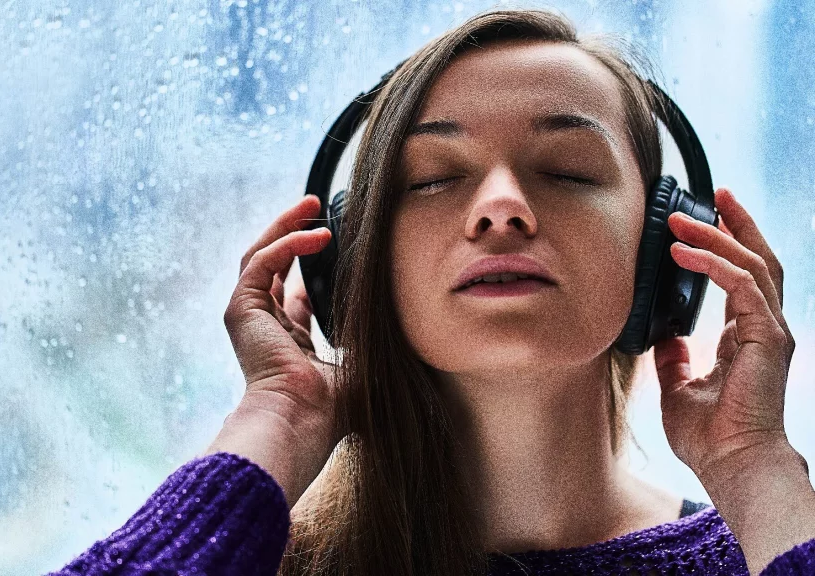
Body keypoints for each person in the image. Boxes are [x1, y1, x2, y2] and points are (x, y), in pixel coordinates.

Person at [46, 8, 815, 576]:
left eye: (570, 171)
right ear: (352, 268)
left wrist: (758, 469)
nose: (501, 206)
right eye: (434, 180)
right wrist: (275, 419)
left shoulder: (765, 550)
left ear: (667, 251)